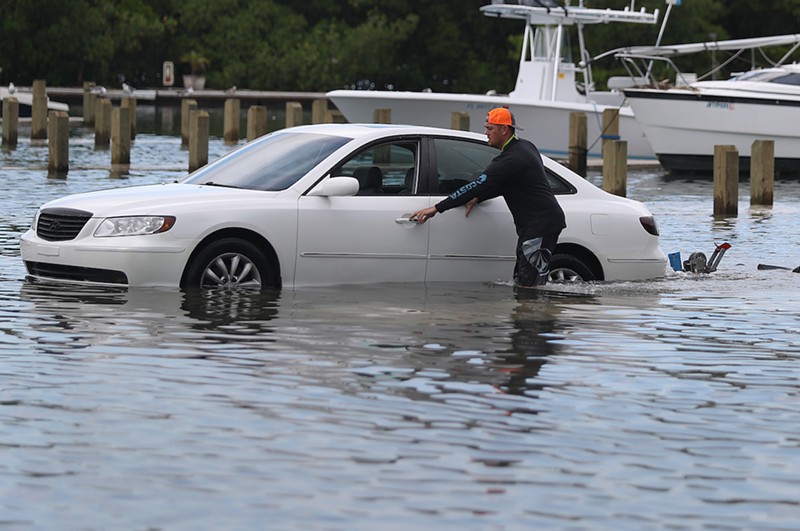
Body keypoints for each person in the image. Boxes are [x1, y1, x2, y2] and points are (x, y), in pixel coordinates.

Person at [411, 107, 566, 287]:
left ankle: (535, 315)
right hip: (541, 223)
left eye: (489, 128)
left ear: (504, 129)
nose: (486, 133)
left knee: (527, 284)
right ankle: (538, 313)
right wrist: (480, 197)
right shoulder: (525, 147)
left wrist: (436, 208)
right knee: (528, 280)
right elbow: (510, 184)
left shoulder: (510, 159)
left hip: (540, 225)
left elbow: (475, 185)